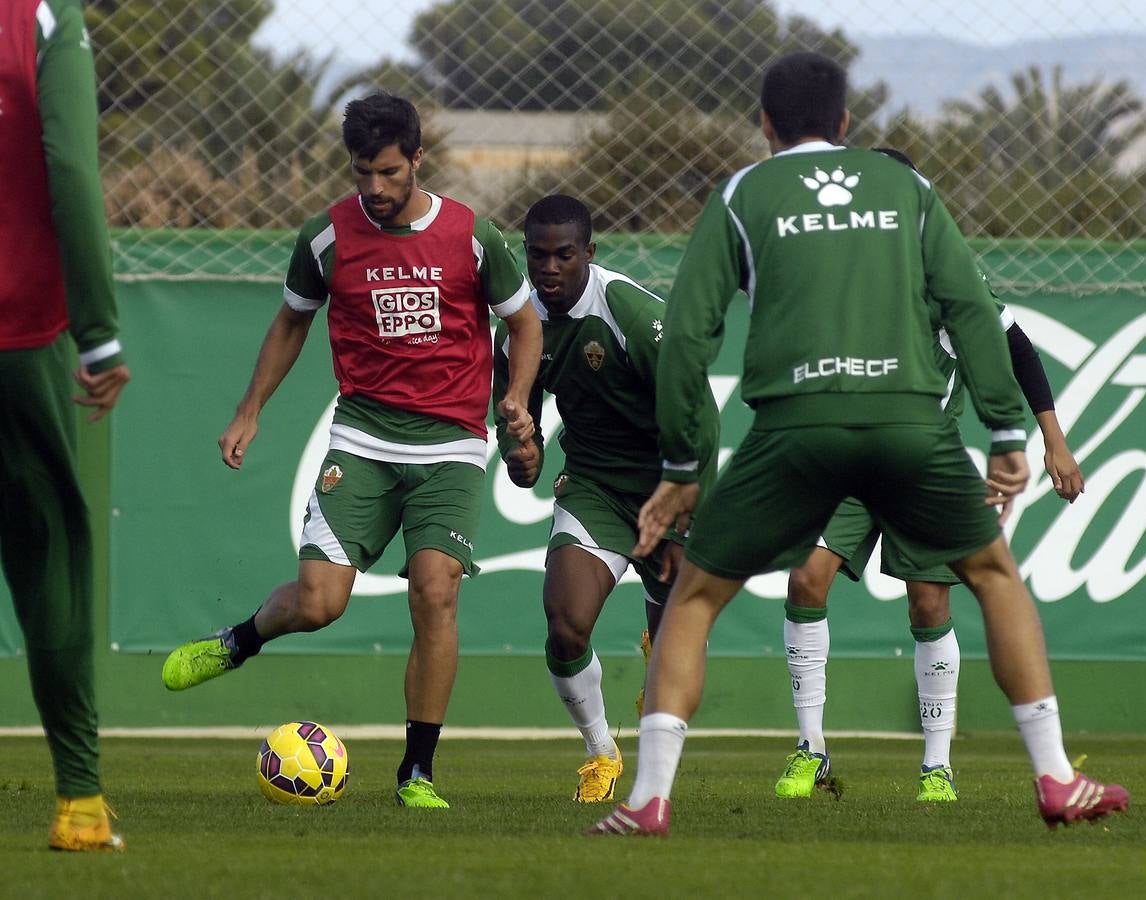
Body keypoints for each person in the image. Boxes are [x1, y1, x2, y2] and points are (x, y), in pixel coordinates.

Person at [589, 52, 1128, 836]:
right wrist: (1009, 435)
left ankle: (649, 800)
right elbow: (975, 310)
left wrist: (679, 467)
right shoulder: (907, 188)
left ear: (764, 126)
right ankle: (1053, 776)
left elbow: (686, 341)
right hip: (909, 421)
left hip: (792, 430)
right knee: (994, 576)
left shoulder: (744, 193)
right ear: (846, 124)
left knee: (697, 598)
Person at [161, 92, 542, 809]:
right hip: (362, 440)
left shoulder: (471, 236)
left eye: (390, 172)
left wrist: (515, 397)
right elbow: (289, 324)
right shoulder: (326, 237)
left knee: (436, 593)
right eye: (362, 172)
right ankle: (240, 640)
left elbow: (524, 324)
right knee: (318, 603)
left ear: (418, 160)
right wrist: (250, 412)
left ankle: (417, 773)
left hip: (453, 447)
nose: (375, 189)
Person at [775, 147, 1087, 804]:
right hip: (846, 453)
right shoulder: (832, 256)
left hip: (922, 458)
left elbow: (1014, 346)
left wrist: (1052, 442)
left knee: (930, 602)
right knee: (806, 577)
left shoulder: (944, 262)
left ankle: (937, 764)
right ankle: (811, 748)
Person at [492, 195, 719, 803]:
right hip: (594, 485)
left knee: (675, 649)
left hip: (667, 487)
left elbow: (696, 404)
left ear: (589, 254)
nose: (549, 269)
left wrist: (688, 494)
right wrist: (524, 457)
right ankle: (600, 752)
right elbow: (516, 430)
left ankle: (656, 764)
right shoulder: (520, 326)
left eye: (564, 255)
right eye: (537, 256)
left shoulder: (625, 310)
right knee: (565, 626)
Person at [0, 0, 132, 852]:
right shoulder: (41, 17)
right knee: (51, 553)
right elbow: (72, 170)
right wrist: (100, 330)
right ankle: (79, 802)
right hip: (22, 334)